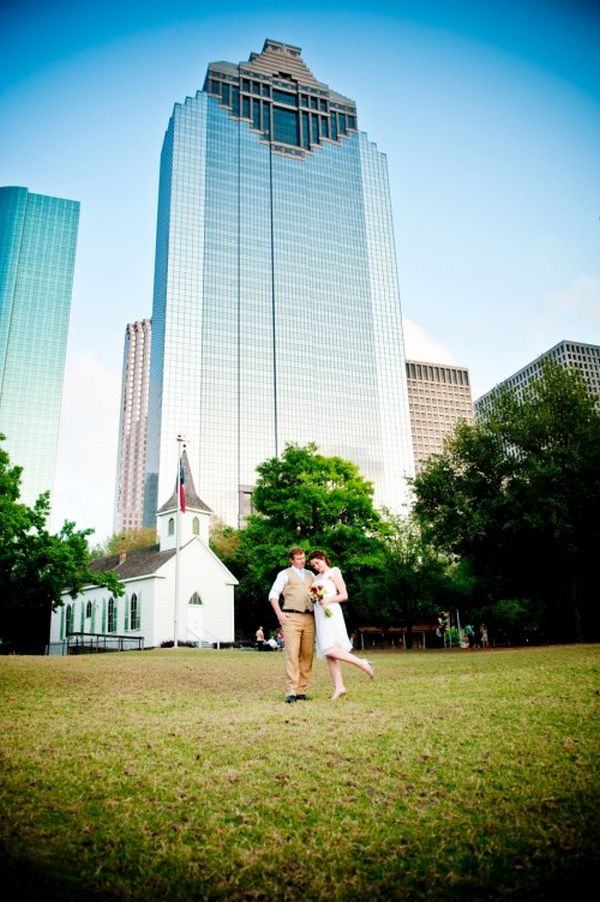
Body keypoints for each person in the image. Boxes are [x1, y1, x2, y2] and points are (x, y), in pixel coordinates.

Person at [308, 550, 374, 700]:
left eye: (317, 563)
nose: (316, 567)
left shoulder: (334, 572)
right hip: (320, 614)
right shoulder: (315, 578)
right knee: (329, 654)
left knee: (329, 649)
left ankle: (362, 663)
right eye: (313, 565)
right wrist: (315, 599)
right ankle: (339, 687)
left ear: (323, 559)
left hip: (331, 611)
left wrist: (328, 600)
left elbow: (344, 595)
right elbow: (315, 596)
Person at [269, 546, 315, 703]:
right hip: (291, 617)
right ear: (291, 560)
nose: (302, 561)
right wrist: (279, 614)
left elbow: (319, 592)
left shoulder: (311, 575)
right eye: (298, 559)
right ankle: (291, 691)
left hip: (309, 618)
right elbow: (273, 595)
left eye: (303, 558)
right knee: (292, 655)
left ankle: (302, 690)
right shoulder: (284, 574)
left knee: (307, 654)